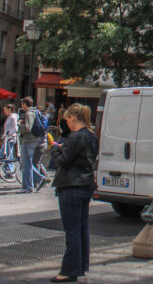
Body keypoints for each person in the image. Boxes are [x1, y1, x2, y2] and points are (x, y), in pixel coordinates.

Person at [49, 103, 98, 283]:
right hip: (85, 184)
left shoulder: (76, 137)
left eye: (67, 120)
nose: (66, 123)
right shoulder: (91, 136)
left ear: (72, 118)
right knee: (82, 228)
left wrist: (54, 148)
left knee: (72, 230)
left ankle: (69, 270)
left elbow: (64, 161)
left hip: (71, 185)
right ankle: (81, 265)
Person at [18, 97, 48, 193]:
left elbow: (27, 128)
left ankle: (28, 186)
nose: (21, 106)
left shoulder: (29, 113)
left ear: (25, 104)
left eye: (22, 104)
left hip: (28, 140)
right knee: (27, 163)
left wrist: (19, 124)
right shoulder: (35, 112)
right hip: (34, 140)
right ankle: (39, 179)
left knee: (26, 164)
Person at [2, 103, 19, 178]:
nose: (4, 111)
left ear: (9, 110)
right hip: (7, 139)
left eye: (5, 110)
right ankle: (9, 171)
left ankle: (10, 171)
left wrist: (8, 134)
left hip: (10, 139)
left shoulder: (12, 117)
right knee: (8, 155)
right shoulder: (9, 117)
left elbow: (15, 128)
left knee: (3, 155)